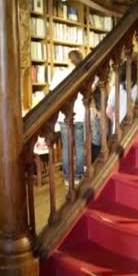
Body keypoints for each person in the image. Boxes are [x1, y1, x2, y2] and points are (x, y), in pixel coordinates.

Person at [52, 50, 86, 185]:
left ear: (69, 60)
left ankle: (67, 178)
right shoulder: (83, 74)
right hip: (80, 114)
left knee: (67, 147)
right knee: (79, 146)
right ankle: (78, 176)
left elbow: (52, 92)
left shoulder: (60, 74)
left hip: (65, 115)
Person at [106, 60, 138, 132]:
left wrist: (116, 120)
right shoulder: (137, 89)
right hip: (133, 125)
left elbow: (108, 111)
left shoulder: (116, 88)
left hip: (119, 126)